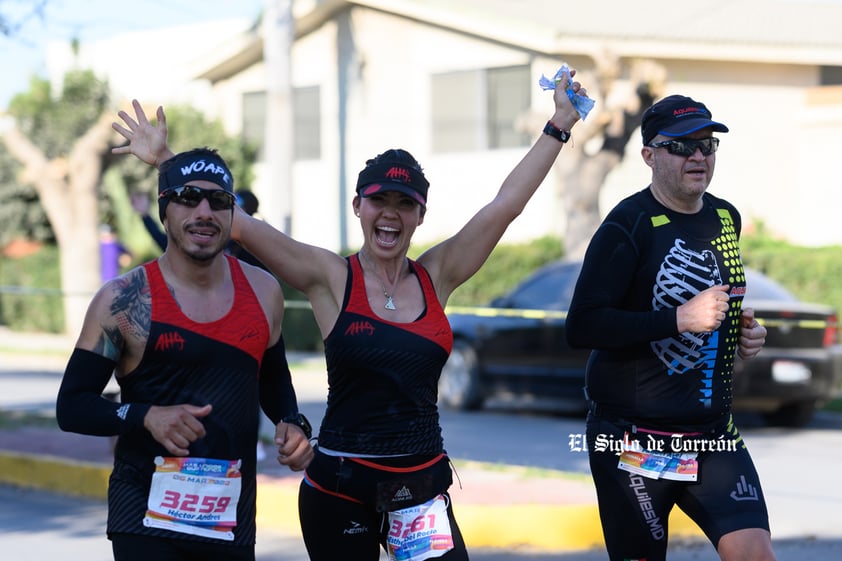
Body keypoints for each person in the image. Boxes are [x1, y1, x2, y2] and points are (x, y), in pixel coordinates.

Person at [114, 67, 590, 561]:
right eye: (378, 200)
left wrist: (559, 126)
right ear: (358, 206)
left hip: (420, 493)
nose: (390, 213)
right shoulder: (330, 277)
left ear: (420, 215)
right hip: (341, 488)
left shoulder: (438, 275)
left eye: (404, 203)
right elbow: (239, 225)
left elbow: (505, 205)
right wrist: (167, 161)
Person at [56, 145, 314, 561]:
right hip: (142, 515)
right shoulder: (124, 300)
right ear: (165, 209)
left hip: (229, 517)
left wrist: (292, 422)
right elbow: (71, 407)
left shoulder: (264, 291)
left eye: (219, 201)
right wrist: (144, 415)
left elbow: (272, 377)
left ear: (233, 215)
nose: (204, 212)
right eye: (188, 198)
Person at [565, 94, 776, 561]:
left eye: (707, 144)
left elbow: (717, 307)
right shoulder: (628, 224)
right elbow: (582, 326)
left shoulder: (725, 216)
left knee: (756, 553)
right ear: (649, 155)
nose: (698, 156)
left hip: (713, 434)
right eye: (682, 146)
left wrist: (745, 335)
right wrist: (679, 320)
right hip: (633, 440)